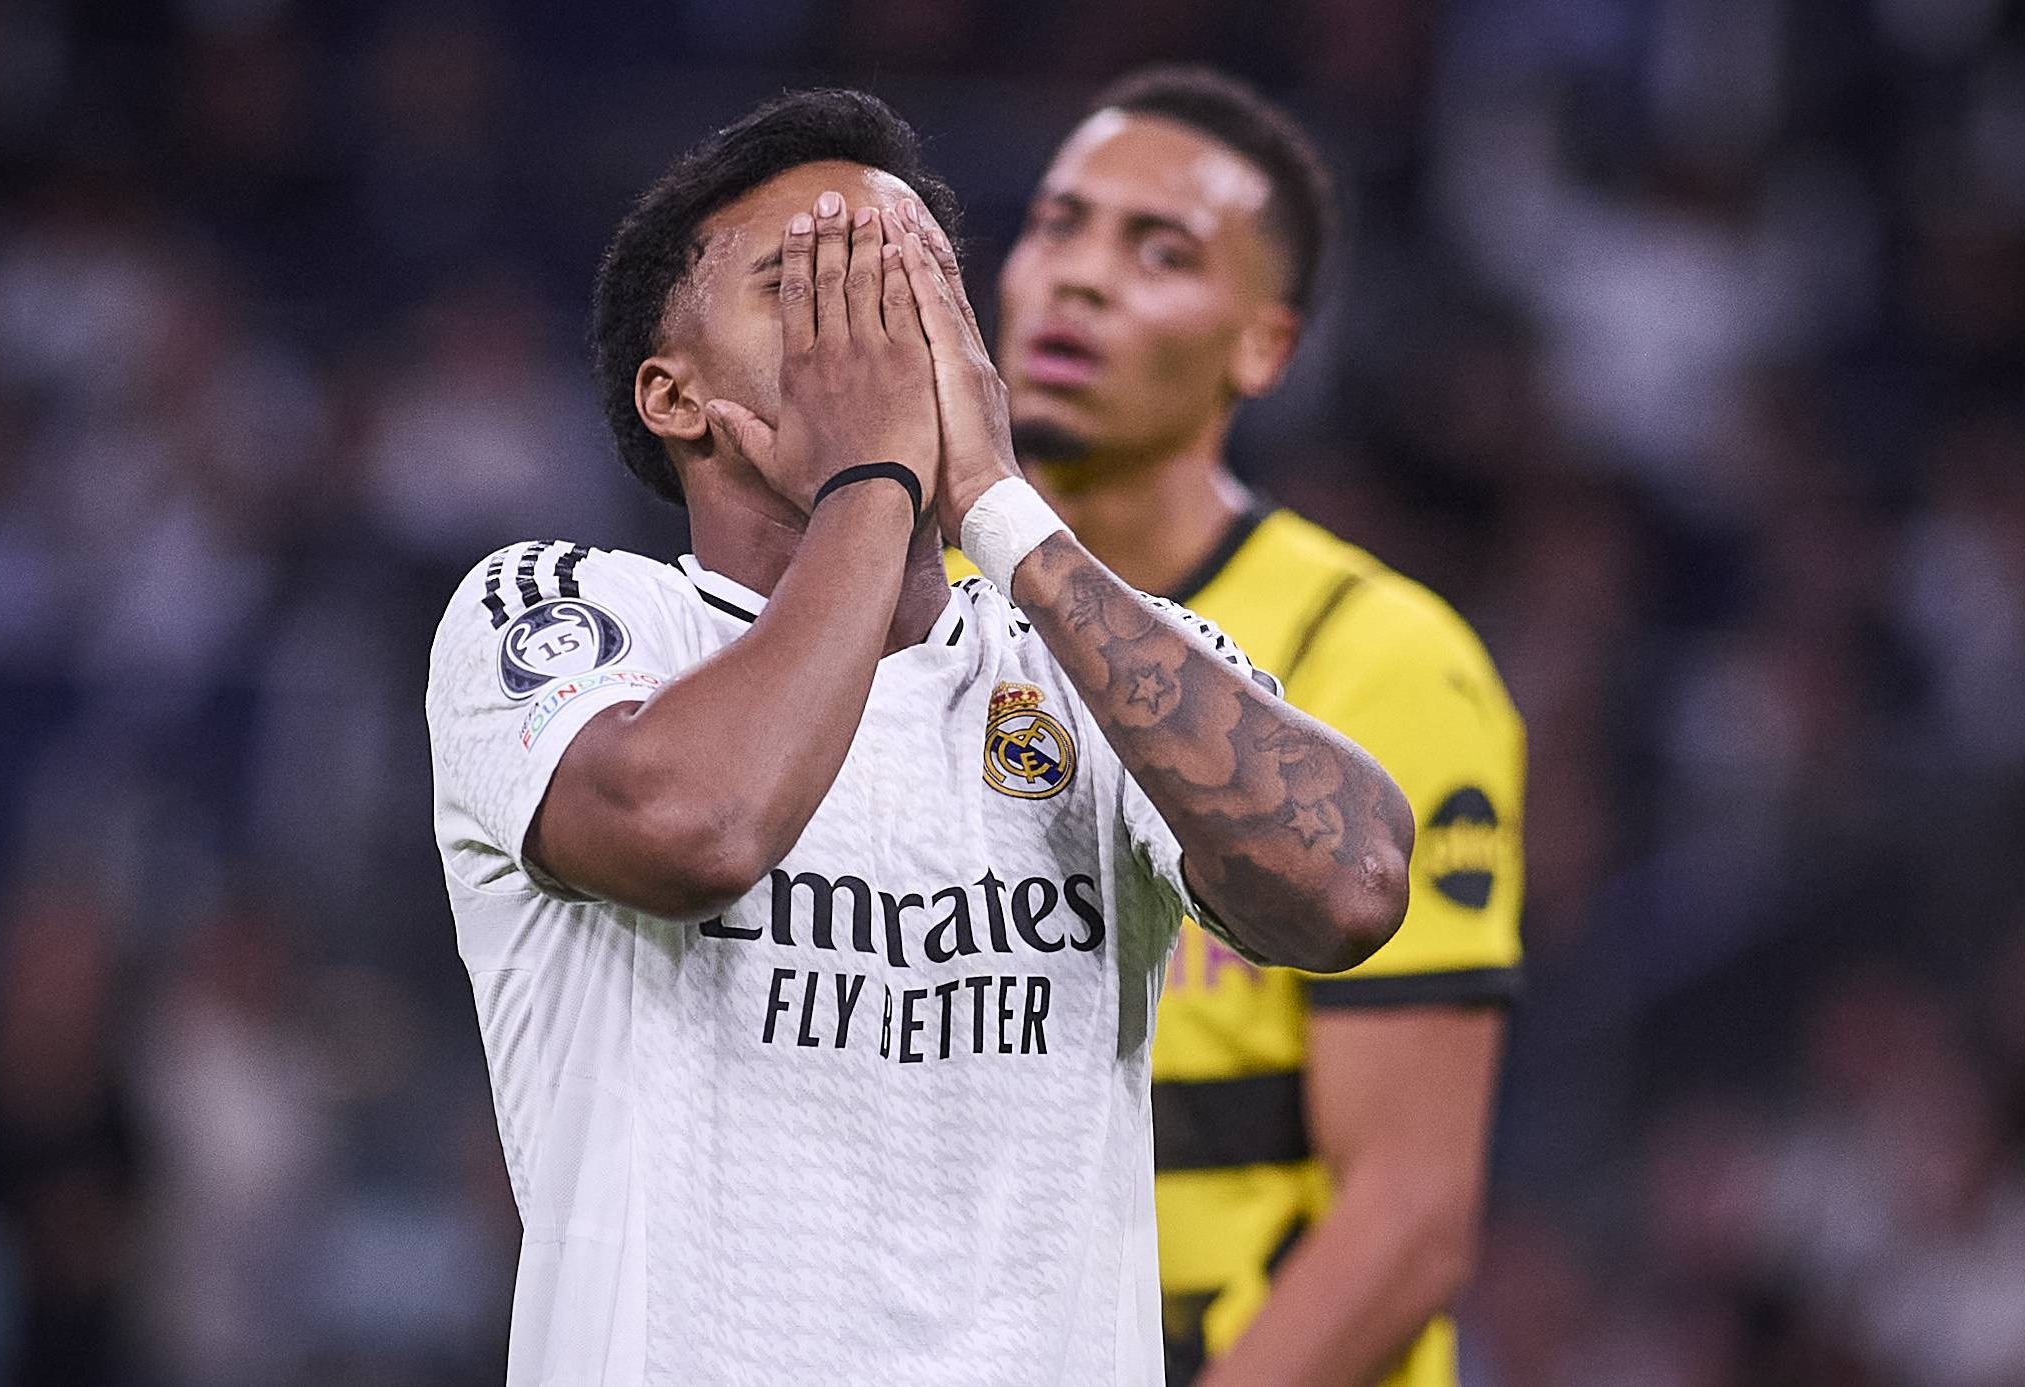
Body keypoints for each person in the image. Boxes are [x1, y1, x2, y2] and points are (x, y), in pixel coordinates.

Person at [423, 89, 1415, 1387]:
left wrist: (998, 506)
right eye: (810, 285)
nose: (878, 336)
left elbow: (1350, 887)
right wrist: (874, 483)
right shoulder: (571, 615)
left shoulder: (1078, 667)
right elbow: (698, 828)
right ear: (676, 396)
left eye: (915, 289)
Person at [957, 67, 1526, 1387]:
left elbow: (1407, 1221)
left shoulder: (1379, 660)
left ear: (1265, 347)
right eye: (1058, 225)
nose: (1082, 279)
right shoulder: (897, 614)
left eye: (1160, 252)